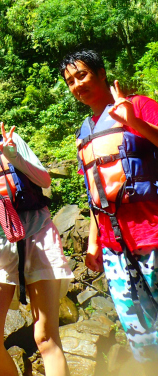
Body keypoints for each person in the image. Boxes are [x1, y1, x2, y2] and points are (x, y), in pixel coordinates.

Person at [0, 99, 72, 376]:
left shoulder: (10, 140)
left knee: (45, 337)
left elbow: (44, 180)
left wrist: (14, 156)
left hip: (37, 230)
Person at [60, 49, 158, 372]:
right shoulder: (84, 132)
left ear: (101, 73)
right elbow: (95, 192)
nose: (77, 85)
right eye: (70, 81)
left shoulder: (138, 105)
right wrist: (94, 243)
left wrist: (134, 123)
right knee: (139, 335)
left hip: (152, 234)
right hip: (115, 248)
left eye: (82, 75)